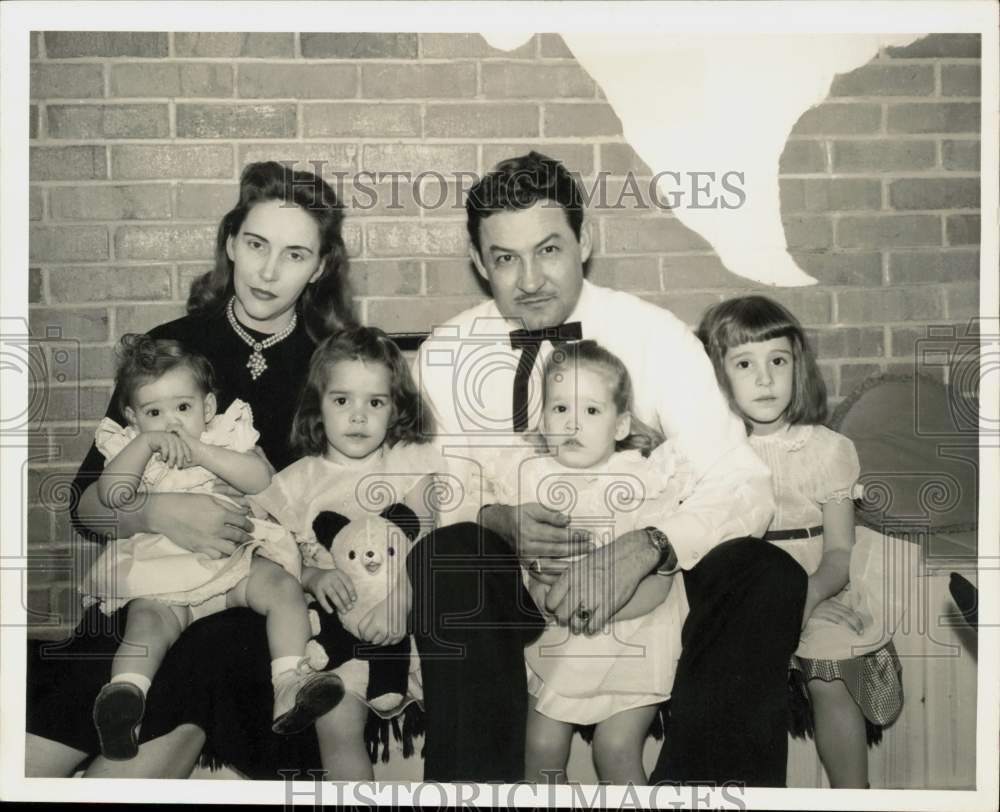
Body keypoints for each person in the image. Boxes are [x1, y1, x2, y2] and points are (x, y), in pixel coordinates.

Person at [415, 151, 807, 786]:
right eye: (505, 258)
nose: (530, 278)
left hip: (649, 581)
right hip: (518, 589)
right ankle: (478, 794)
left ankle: (697, 794)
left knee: (764, 573)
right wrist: (497, 519)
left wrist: (648, 546)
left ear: (585, 241)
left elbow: (742, 482)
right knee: (448, 556)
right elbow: (439, 493)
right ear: (479, 261)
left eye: (548, 250)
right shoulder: (444, 354)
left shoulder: (654, 335)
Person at [26, 160, 355, 779]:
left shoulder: (332, 368)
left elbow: (340, 505)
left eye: (294, 254)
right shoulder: (171, 348)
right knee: (64, 711)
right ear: (231, 243)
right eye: (255, 245)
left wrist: (307, 561)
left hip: (259, 594)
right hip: (153, 575)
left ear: (319, 268)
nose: (267, 271)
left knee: (211, 656)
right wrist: (161, 510)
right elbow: (86, 506)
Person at [82, 334, 342, 761]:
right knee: (146, 623)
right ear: (131, 416)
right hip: (164, 573)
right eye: (153, 412)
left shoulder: (225, 437)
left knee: (282, 588)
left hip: (233, 564)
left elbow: (260, 481)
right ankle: (124, 698)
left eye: (183, 408)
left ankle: (290, 683)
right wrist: (142, 446)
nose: (171, 424)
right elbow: (109, 495)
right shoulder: (128, 448)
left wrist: (202, 452)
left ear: (207, 408)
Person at [697, 295, 904, 788]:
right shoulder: (711, 453)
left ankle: (854, 795)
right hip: (744, 595)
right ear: (715, 375)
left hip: (821, 584)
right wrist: (776, 607)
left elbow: (838, 552)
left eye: (778, 361)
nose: (765, 379)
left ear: (799, 366)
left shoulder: (828, 451)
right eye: (744, 364)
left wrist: (806, 598)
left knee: (829, 671)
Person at [483, 340, 690, 784]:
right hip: (561, 631)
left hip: (637, 628)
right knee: (540, 747)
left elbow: (661, 580)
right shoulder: (532, 478)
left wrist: (599, 608)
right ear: (542, 421)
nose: (573, 422)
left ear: (620, 426)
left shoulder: (640, 478)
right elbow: (525, 567)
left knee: (615, 750)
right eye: (560, 409)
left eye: (591, 411)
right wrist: (538, 593)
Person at [248, 326, 442, 780]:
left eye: (375, 402)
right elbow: (273, 559)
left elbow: (431, 547)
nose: (358, 417)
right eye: (342, 401)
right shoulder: (296, 482)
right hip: (344, 638)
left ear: (396, 409)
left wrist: (402, 600)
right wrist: (313, 579)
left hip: (415, 627)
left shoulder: (411, 467)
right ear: (318, 404)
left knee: (468, 703)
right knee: (335, 726)